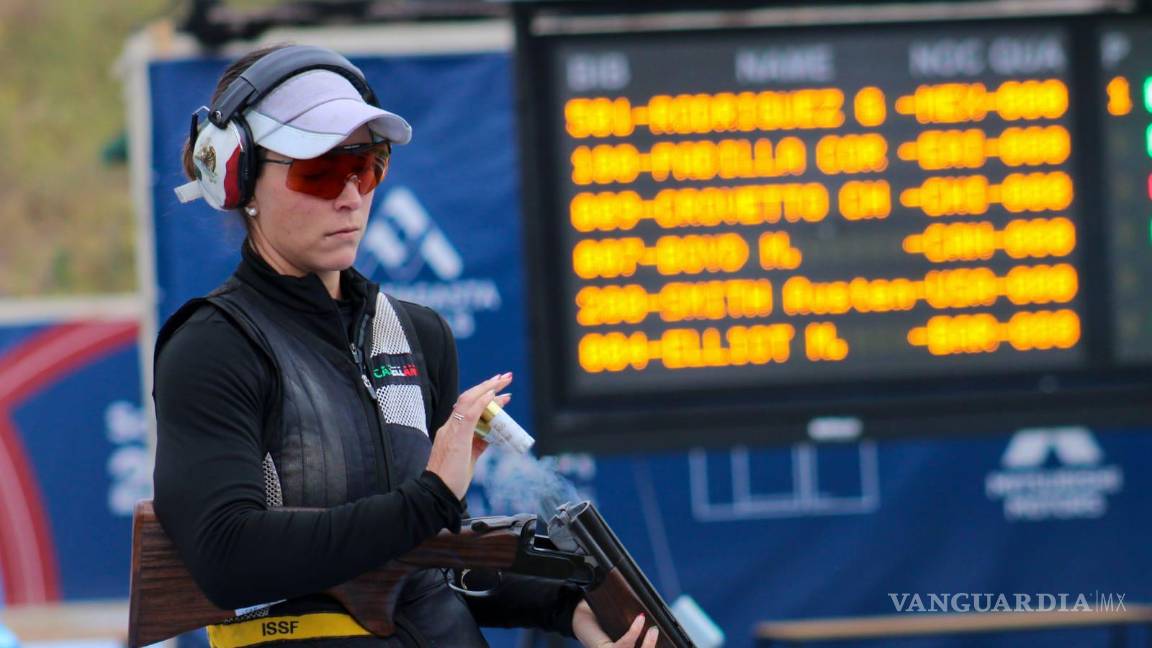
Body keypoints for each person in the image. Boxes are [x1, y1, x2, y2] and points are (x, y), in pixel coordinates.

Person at [152, 44, 658, 648]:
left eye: (364, 166)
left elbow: (435, 564)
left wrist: (566, 606)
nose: (349, 195)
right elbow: (226, 558)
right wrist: (430, 498)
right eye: (316, 171)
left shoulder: (417, 334)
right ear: (235, 176)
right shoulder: (214, 346)